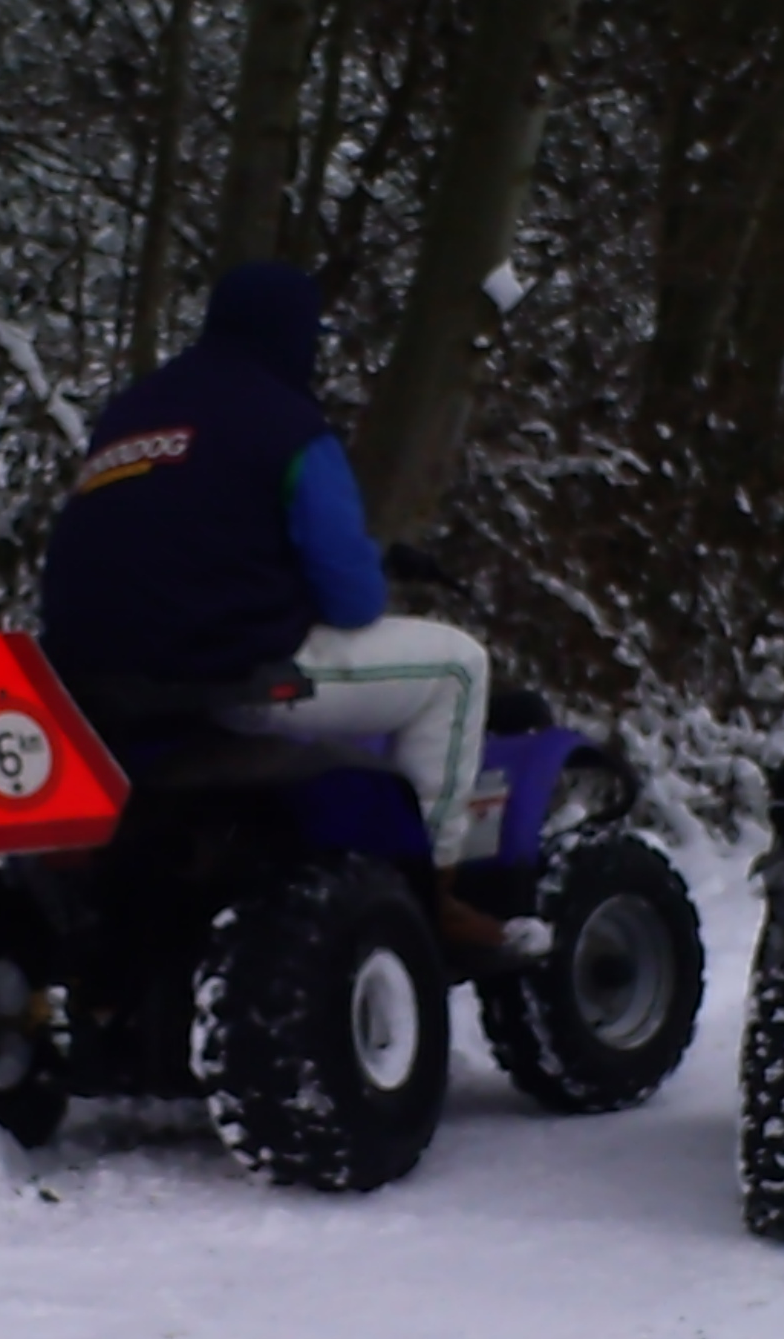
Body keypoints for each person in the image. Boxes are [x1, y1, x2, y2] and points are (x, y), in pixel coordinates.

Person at [39, 258, 514, 948]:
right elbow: (353, 599)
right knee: (459, 666)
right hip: (222, 676)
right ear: (294, 337)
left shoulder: (130, 413)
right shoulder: (289, 427)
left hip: (92, 679)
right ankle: (436, 893)